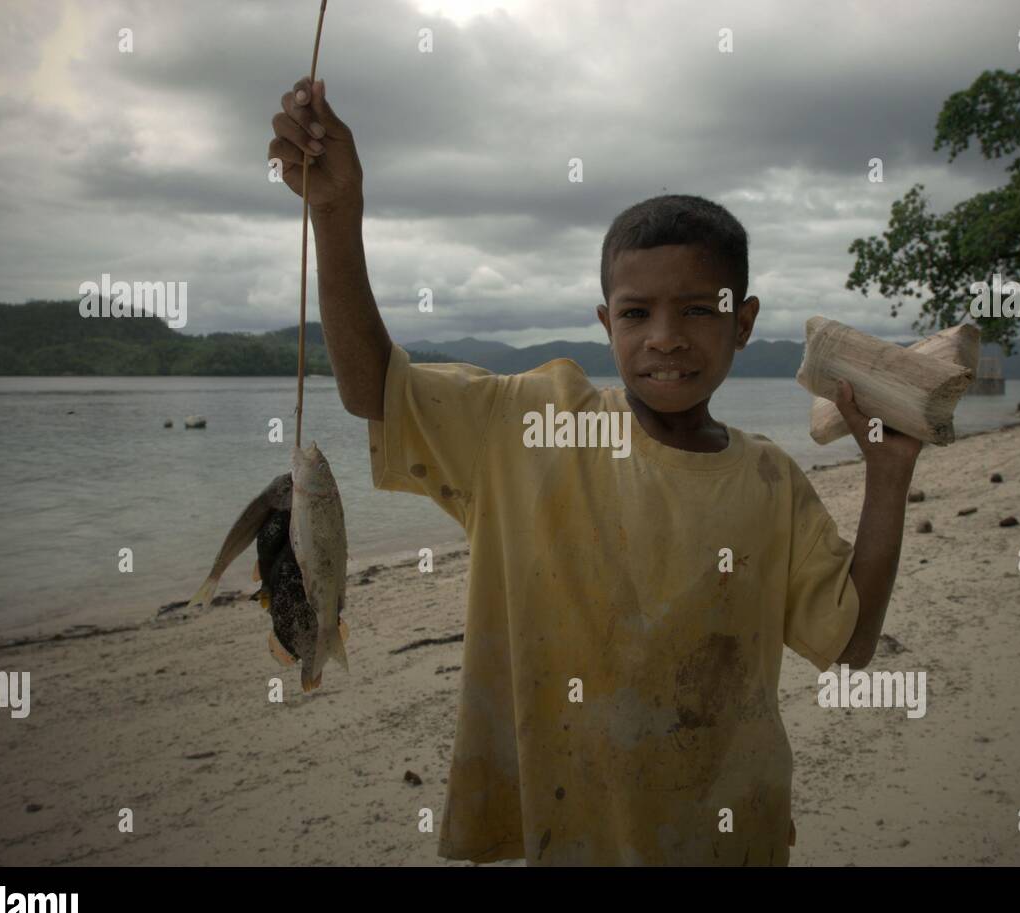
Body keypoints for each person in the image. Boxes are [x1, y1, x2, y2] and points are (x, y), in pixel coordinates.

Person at [269, 76, 921, 866]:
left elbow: (847, 646)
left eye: (700, 310)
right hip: (563, 831)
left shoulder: (771, 483)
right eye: (638, 313)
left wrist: (887, 475)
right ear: (605, 322)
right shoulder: (525, 425)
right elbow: (373, 388)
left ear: (744, 322)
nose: (667, 338)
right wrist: (335, 216)